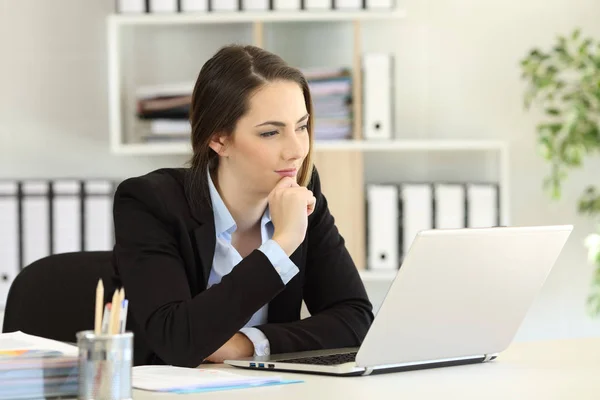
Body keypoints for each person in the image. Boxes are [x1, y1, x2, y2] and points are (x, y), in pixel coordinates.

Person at [111, 44, 374, 368]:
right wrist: (283, 244)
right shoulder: (149, 202)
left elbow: (356, 320)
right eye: (270, 133)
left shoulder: (303, 192)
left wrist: (246, 345)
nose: (296, 150)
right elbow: (177, 341)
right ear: (219, 139)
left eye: (302, 126)